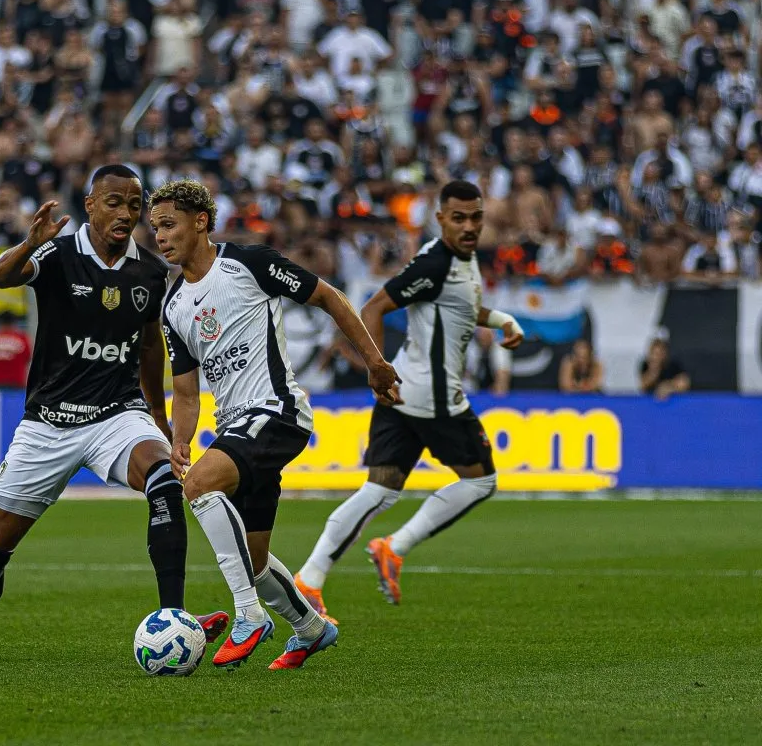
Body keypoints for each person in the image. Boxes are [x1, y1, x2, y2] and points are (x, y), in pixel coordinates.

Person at [0, 165, 229, 661]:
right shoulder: (59, 254)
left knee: (164, 482)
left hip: (116, 415)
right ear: (90, 205)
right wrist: (29, 242)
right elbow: (1, 277)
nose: (125, 213)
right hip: (48, 422)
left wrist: (157, 413)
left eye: (134, 205)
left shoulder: (151, 271)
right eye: (114, 202)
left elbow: (151, 346)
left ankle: (175, 617)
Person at [148, 178, 399, 671]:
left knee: (198, 485)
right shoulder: (173, 306)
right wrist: (179, 439)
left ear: (201, 222)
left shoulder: (248, 264)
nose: (159, 236)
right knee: (255, 560)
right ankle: (311, 628)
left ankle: (249, 616)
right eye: (154, 227)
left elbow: (330, 298)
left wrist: (373, 361)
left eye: (168, 224)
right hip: (236, 427)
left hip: (276, 411)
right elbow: (184, 390)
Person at [294, 181, 525, 618]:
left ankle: (310, 577)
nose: (470, 225)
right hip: (431, 397)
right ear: (441, 219)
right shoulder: (437, 262)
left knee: (379, 489)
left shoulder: (456, 259)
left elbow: (461, 305)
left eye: (476, 217)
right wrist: (376, 369)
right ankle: (395, 547)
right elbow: (374, 308)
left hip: (403, 392)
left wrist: (502, 320)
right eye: (459, 218)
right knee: (480, 480)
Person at [639, 334, 689, 401]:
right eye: (654, 353)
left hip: (673, 403)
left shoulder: (672, 365)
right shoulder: (646, 364)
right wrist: (654, 368)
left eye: (659, 353)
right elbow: (643, 385)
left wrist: (669, 386)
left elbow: (684, 383)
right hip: (651, 403)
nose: (657, 357)